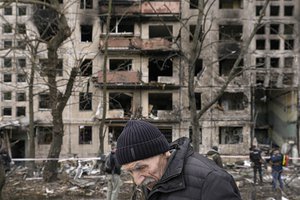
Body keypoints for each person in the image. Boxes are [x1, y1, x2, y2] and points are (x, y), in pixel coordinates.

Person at [116, 120, 241, 200]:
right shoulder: (150, 181)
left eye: (141, 167)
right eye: (130, 172)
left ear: (165, 153)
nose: (137, 180)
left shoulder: (212, 180)